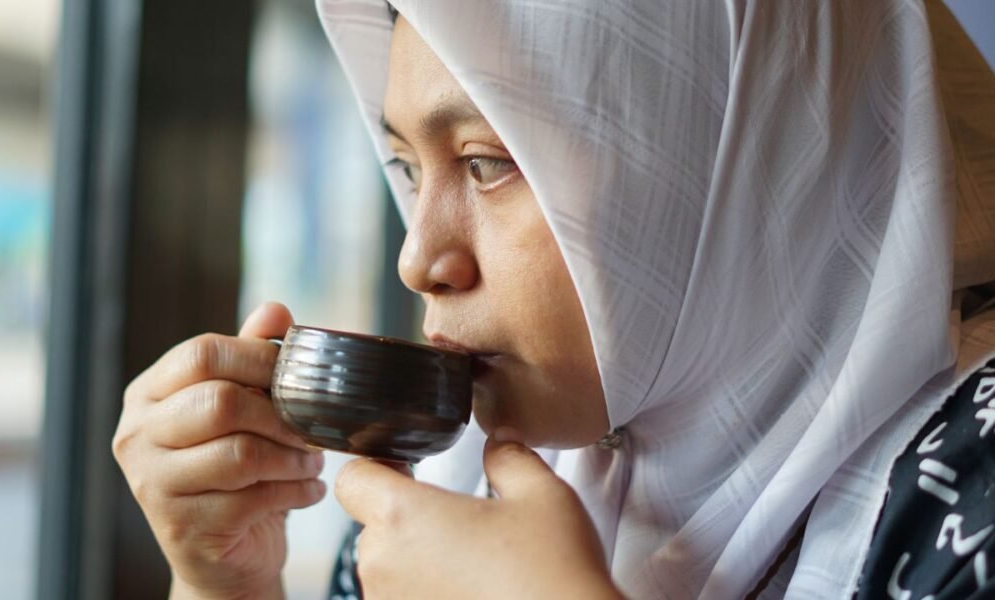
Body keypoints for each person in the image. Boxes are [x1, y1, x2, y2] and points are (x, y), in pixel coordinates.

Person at [113, 1, 995, 598]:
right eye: (410, 170)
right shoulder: (466, 484)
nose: (418, 259)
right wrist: (227, 585)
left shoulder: (974, 502)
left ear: (735, 154)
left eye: (487, 163)